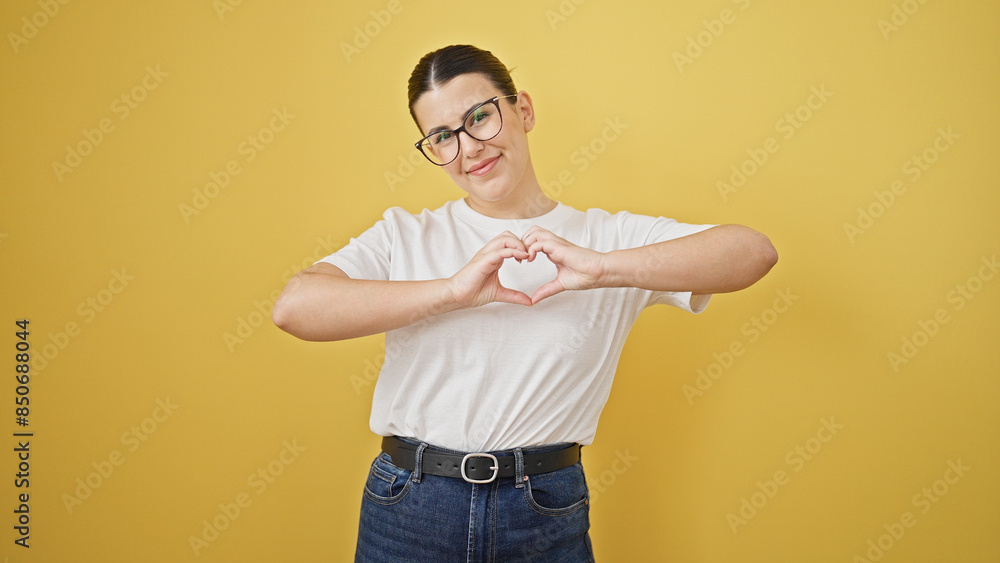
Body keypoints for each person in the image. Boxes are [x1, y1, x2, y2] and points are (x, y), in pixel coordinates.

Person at [273, 44, 777, 562]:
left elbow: (752, 252)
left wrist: (603, 267)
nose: (469, 149)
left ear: (523, 110)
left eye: (479, 117)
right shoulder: (405, 234)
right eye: (443, 137)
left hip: (543, 511)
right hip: (410, 505)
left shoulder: (606, 237)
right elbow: (295, 307)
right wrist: (451, 292)